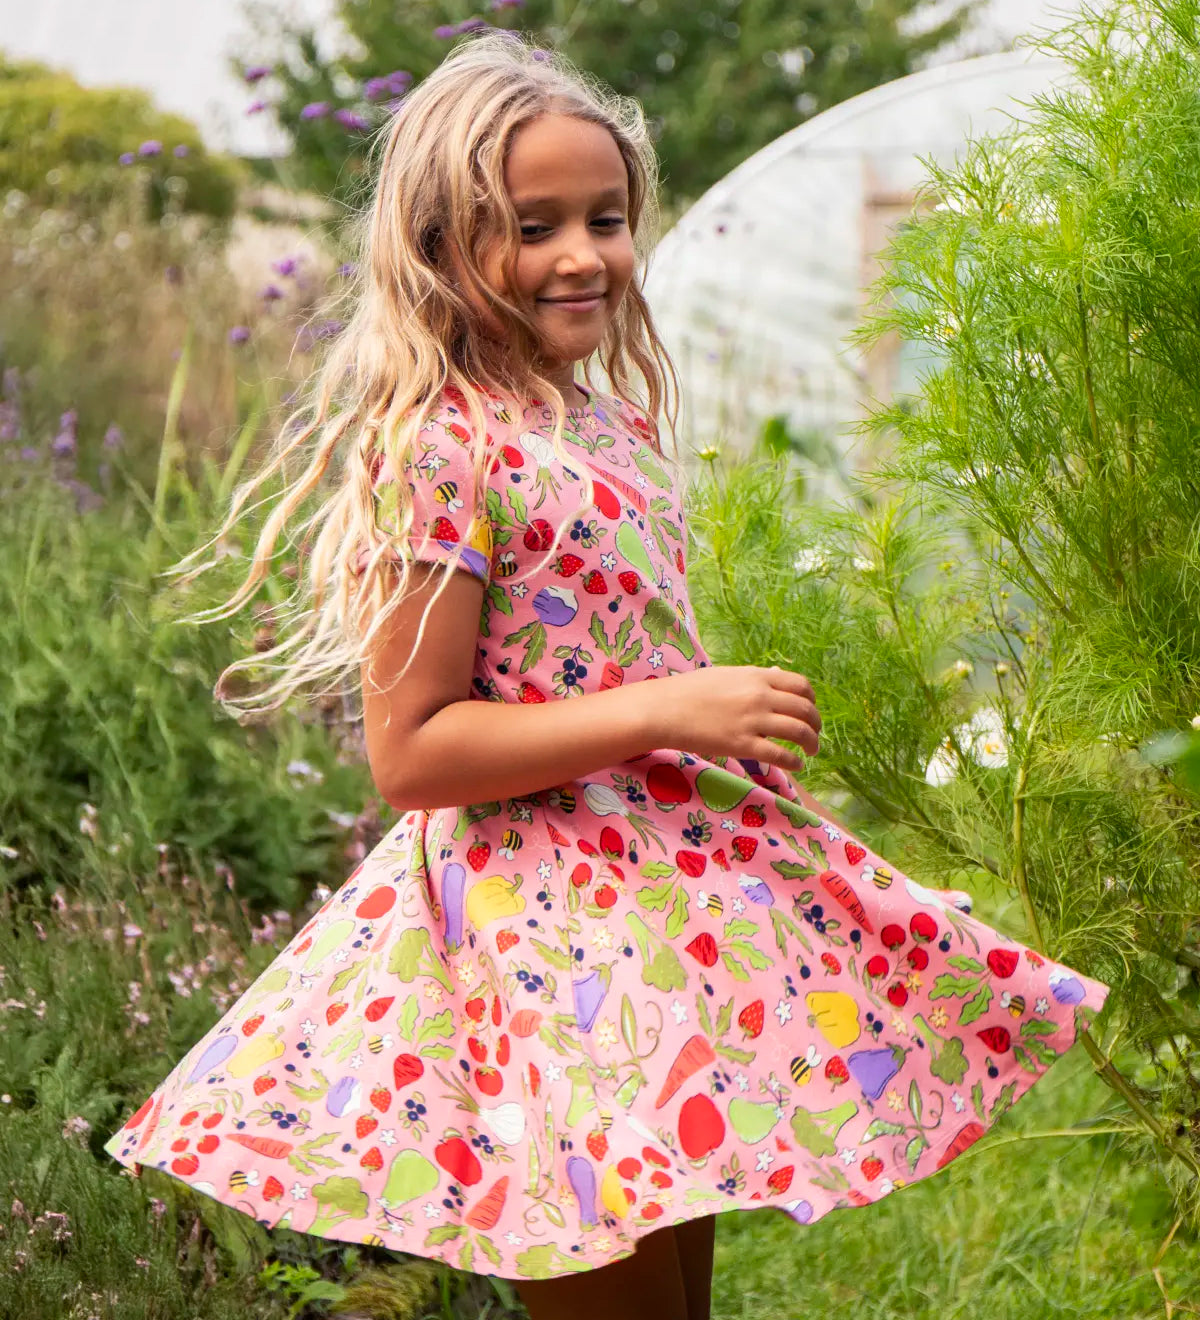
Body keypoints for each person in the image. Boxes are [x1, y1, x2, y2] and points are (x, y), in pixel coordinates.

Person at [102, 30, 1109, 1320]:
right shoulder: (441, 450)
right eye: (532, 226)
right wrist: (664, 710)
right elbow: (414, 753)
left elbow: (588, 644)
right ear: (438, 243)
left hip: (654, 917)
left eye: (606, 217)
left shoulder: (598, 417)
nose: (582, 253)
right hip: (544, 953)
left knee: (676, 1293)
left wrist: (698, 723)